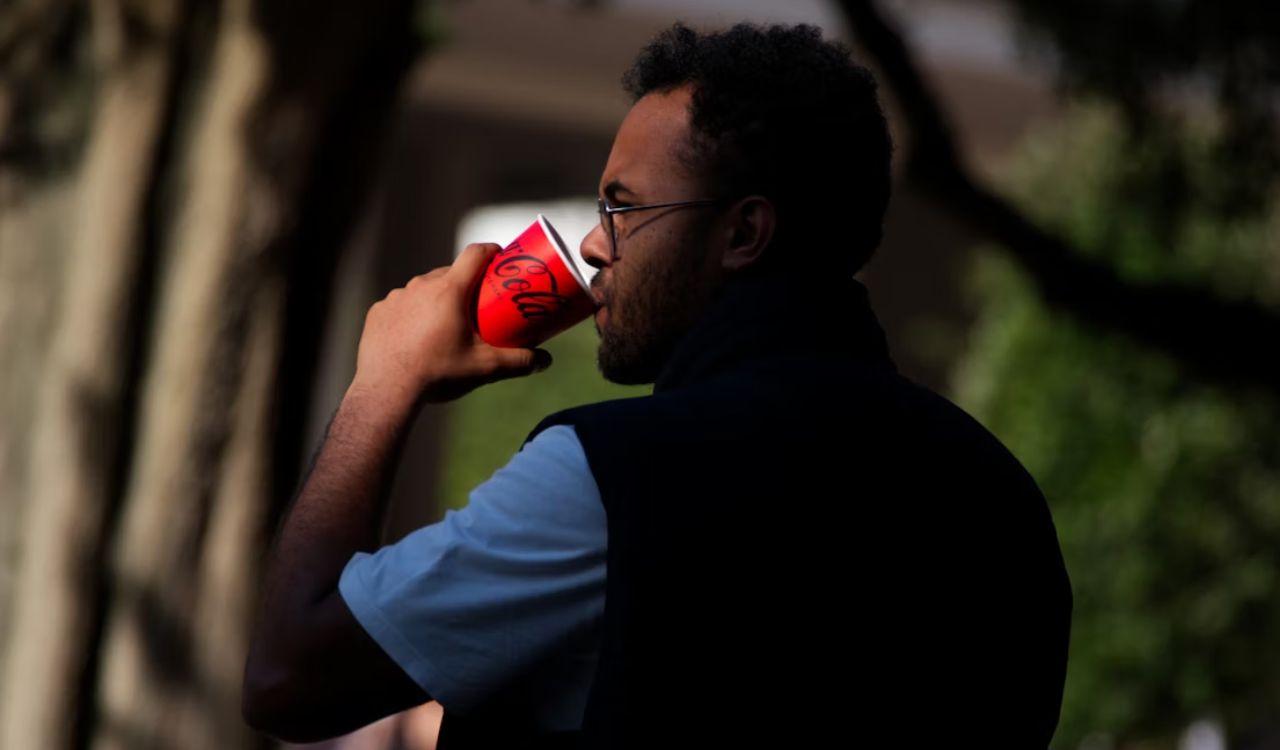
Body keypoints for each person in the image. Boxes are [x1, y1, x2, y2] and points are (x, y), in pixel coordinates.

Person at [243, 21, 1072, 749]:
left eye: (623, 208)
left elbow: (289, 679)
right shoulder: (997, 495)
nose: (595, 246)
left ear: (743, 233)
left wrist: (384, 383)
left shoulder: (611, 478)